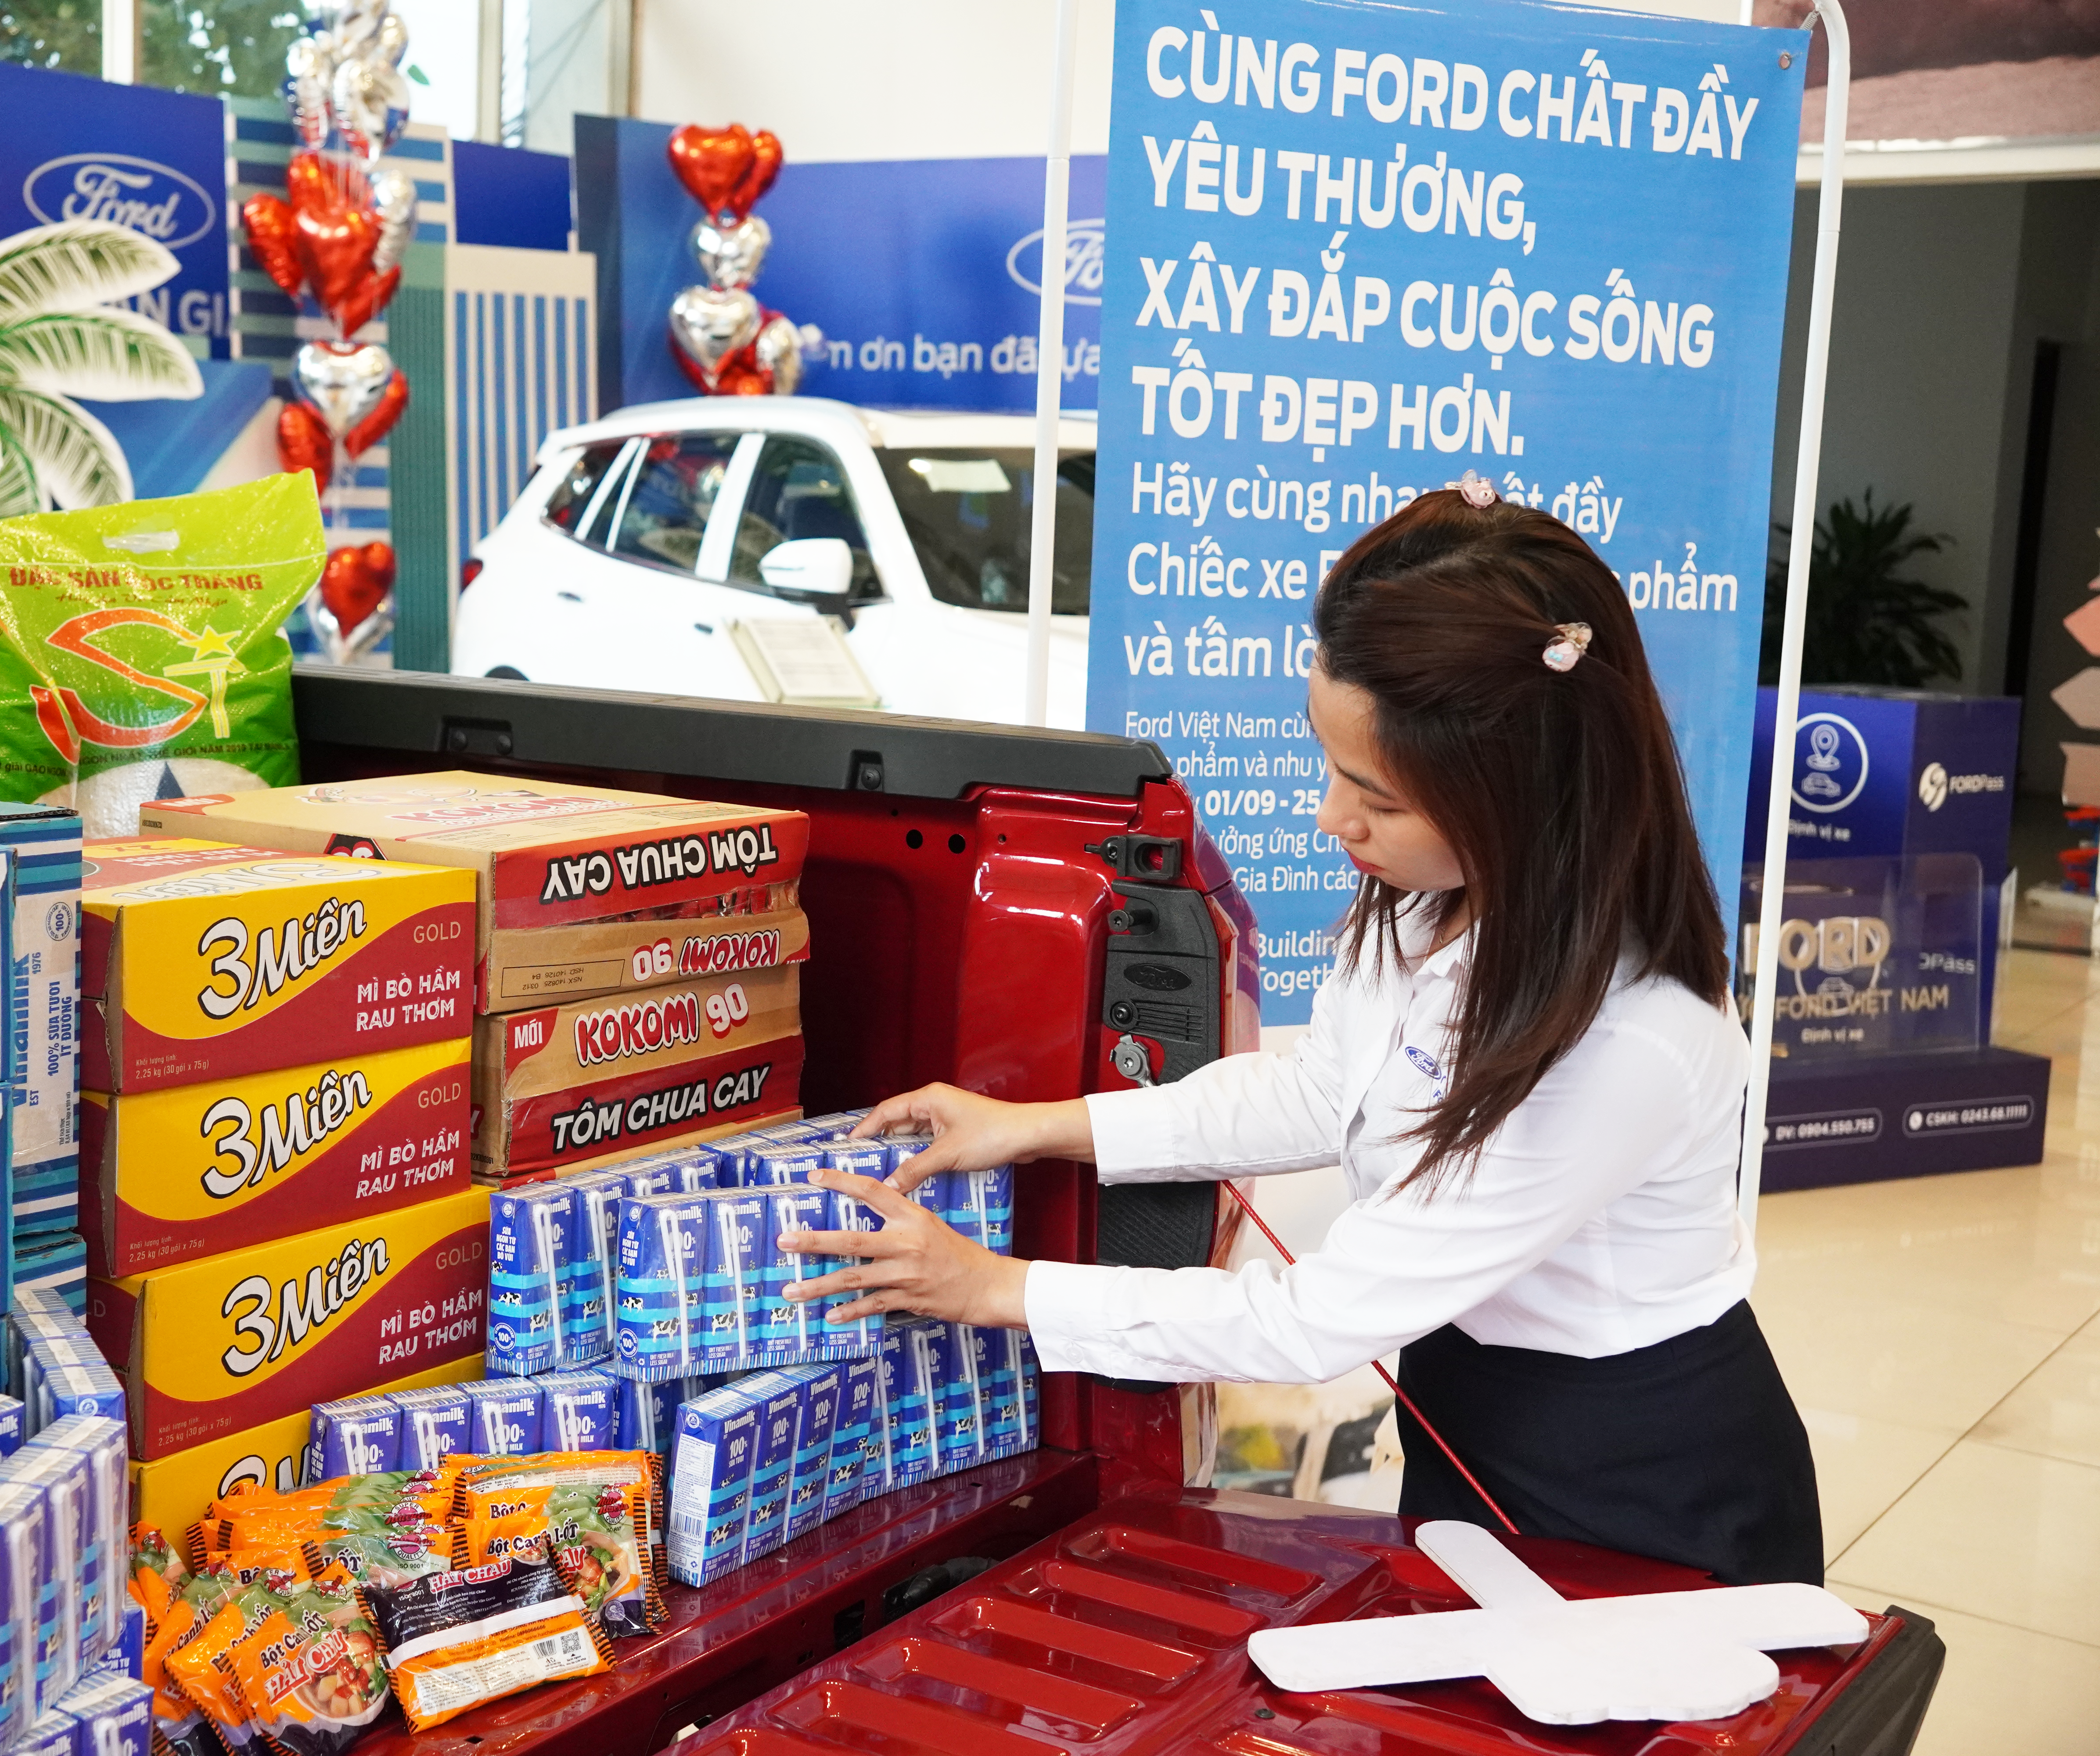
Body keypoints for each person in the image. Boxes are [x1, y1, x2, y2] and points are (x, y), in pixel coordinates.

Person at [779, 475, 1824, 1587]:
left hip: (1641, 1472)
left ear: (1520, 790)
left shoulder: (1625, 1038)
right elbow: (1322, 1091)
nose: (1333, 817)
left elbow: (1316, 1316)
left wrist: (996, 1286)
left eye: (1376, 791)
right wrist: (1033, 1126)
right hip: (1470, 1403)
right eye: (1330, 766)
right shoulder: (1437, 898)